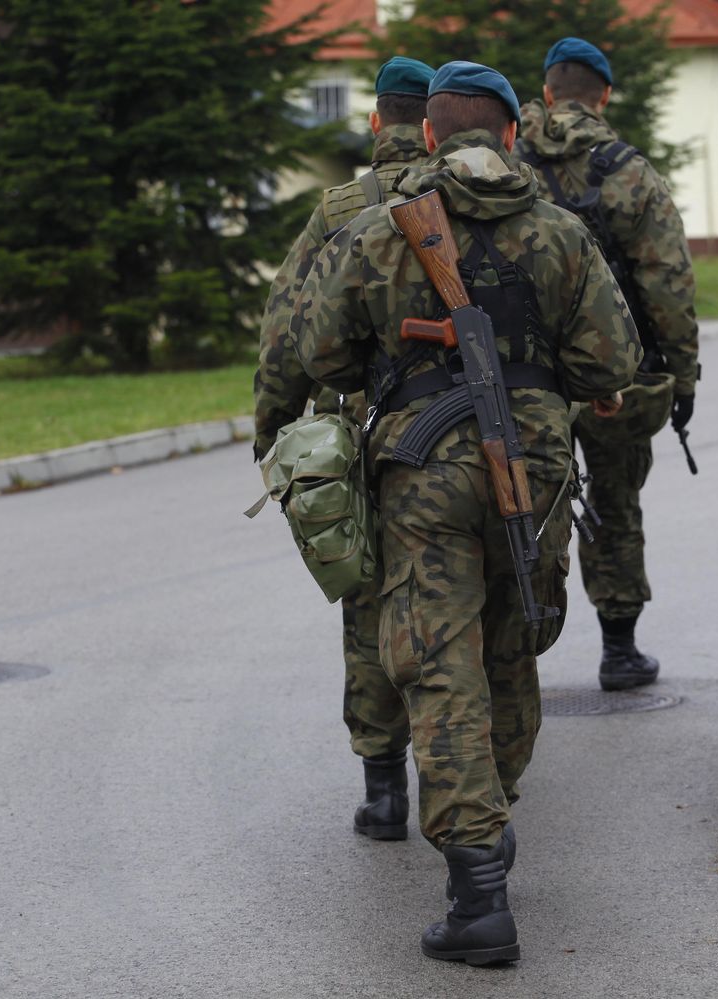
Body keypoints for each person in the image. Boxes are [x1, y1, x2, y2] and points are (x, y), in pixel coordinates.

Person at [293, 61, 640, 964]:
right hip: (531, 466)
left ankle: (479, 888)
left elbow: (320, 354)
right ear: (515, 136)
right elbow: (611, 367)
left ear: (432, 139)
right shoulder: (561, 233)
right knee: (511, 641)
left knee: (439, 660)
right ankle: (490, 821)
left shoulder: (377, 232)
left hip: (422, 474)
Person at [253, 56, 436, 840]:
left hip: (365, 434)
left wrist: (274, 434)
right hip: (460, 427)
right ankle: (469, 778)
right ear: (433, 124)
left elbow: (285, 333)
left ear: (374, 123)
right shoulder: (465, 196)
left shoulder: (339, 210)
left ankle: (384, 790)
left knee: (367, 604)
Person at [517, 37, 700, 692]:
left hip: (522, 379)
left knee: (521, 502)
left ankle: (511, 653)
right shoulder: (629, 172)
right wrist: (682, 375)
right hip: (614, 376)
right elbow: (668, 284)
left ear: (546, 93)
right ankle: (619, 649)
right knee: (615, 498)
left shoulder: (505, 165)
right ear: (605, 95)